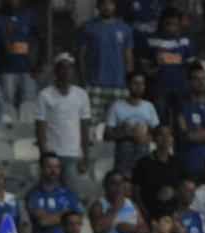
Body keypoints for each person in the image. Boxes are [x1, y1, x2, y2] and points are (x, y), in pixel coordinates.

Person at [35, 53, 93, 185]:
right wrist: (44, 155)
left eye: (70, 68)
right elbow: (40, 127)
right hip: (51, 154)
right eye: (62, 68)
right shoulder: (44, 95)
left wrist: (86, 157)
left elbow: (84, 128)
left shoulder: (82, 95)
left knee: (71, 196)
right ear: (56, 71)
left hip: (73, 154)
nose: (66, 71)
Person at [77, 0, 135, 117]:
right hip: (94, 85)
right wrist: (83, 80)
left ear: (115, 6)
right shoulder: (88, 27)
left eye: (110, 4)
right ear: (98, 6)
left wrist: (129, 82)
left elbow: (128, 56)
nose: (107, 7)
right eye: (103, 4)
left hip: (119, 85)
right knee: (93, 127)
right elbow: (81, 55)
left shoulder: (125, 28)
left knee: (119, 127)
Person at [26, 153, 85, 233]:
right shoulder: (33, 195)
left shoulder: (69, 194)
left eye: (57, 167)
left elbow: (78, 219)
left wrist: (51, 217)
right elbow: (43, 221)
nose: (54, 171)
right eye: (49, 167)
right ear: (41, 169)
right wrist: (65, 214)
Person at [105, 72, 160, 175]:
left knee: (143, 146)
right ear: (128, 85)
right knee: (126, 145)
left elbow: (157, 132)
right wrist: (127, 133)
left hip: (143, 146)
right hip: (124, 147)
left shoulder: (149, 106)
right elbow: (107, 135)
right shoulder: (117, 106)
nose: (139, 87)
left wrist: (146, 137)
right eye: (135, 83)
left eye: (142, 84)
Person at [144, 7, 193, 122]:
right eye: (168, 24)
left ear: (179, 24)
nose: (171, 27)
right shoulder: (151, 41)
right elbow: (145, 68)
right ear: (162, 23)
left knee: (181, 121)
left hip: (181, 89)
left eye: (175, 24)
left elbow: (191, 67)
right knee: (160, 121)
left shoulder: (185, 41)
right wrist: (153, 69)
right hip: (159, 89)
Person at [131, 125, 185, 216]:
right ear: (154, 138)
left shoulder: (178, 163)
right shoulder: (143, 163)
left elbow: (184, 188)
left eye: (169, 135)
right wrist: (145, 213)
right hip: (150, 213)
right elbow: (136, 192)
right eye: (161, 135)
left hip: (174, 214)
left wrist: (174, 193)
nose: (166, 138)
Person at [0, 0, 42, 110]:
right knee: (7, 106)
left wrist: (38, 64)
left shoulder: (30, 15)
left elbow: (39, 40)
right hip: (6, 70)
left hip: (28, 69)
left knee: (29, 105)